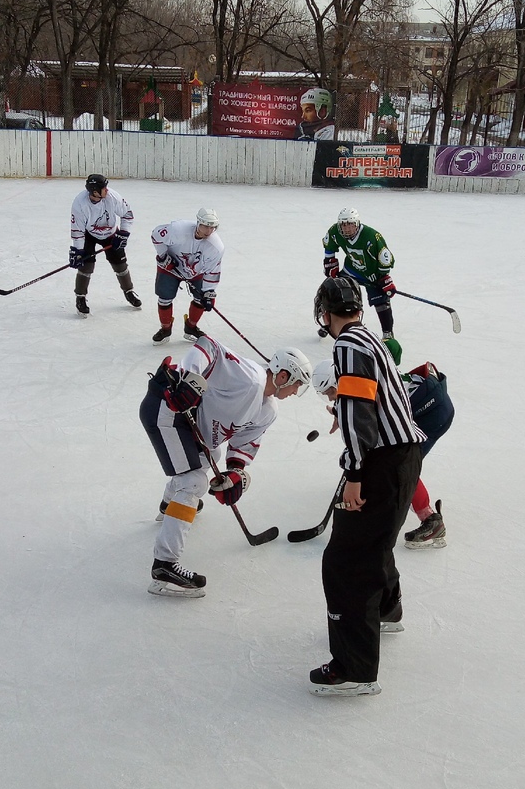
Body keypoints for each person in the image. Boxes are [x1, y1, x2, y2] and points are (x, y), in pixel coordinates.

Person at [309, 276, 424, 697]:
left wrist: (355, 473)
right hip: (403, 458)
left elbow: (360, 412)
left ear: (325, 313)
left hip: (380, 463)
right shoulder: (370, 339)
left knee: (345, 562)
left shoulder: (348, 346)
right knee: (372, 546)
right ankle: (387, 610)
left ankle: (354, 669)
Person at [139, 336, 313, 598]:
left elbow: (243, 445)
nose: (294, 393)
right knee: (194, 482)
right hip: (167, 408)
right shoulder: (250, 378)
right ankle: (164, 565)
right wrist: (189, 379)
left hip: (189, 423)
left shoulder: (268, 410)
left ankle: (170, 505)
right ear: (283, 375)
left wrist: (235, 474)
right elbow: (208, 347)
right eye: (296, 385)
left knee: (213, 454)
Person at [314, 358, 455, 550]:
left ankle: (431, 521)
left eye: (331, 391)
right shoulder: (357, 375)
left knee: (403, 464)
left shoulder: (370, 394)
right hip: (424, 406)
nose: (330, 398)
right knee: (391, 459)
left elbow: (369, 424)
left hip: (431, 415)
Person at [149, 207, 224, 344]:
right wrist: (163, 255)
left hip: (196, 273)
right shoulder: (178, 230)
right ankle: (165, 329)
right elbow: (156, 235)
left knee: (201, 299)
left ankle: (191, 327)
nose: (209, 231)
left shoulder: (216, 247)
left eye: (212, 227)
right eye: (206, 226)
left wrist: (209, 292)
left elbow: (213, 271)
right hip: (169, 268)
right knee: (165, 298)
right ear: (198, 222)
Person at [321, 207, 398, 339]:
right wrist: (330, 260)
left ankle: (388, 333)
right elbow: (329, 244)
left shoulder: (372, 237)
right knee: (337, 292)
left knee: (380, 301)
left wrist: (384, 277)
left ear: (357, 224)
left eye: (350, 225)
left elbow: (385, 259)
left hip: (372, 275)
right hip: (351, 270)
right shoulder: (335, 231)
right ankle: (330, 324)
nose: (347, 229)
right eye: (344, 225)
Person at [69, 173, 140, 316]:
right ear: (95, 191)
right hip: (89, 234)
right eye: (103, 188)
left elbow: (128, 214)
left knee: (120, 264)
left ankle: (129, 291)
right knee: (86, 265)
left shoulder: (112, 197)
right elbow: (77, 230)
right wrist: (78, 251)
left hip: (111, 233)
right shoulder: (79, 204)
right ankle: (80, 297)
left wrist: (123, 233)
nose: (107, 190)